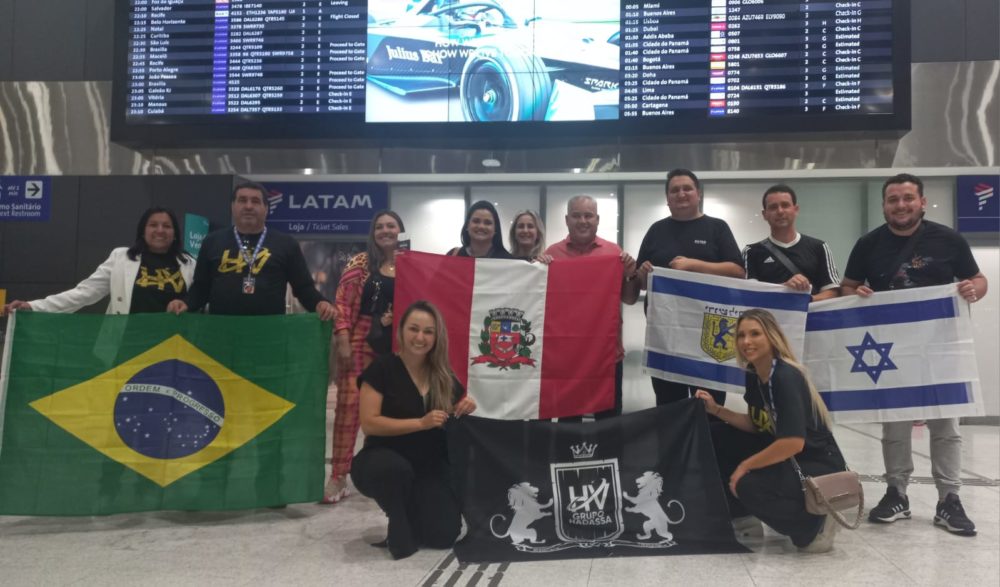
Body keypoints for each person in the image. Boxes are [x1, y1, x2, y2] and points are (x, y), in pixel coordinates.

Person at [841, 173, 988, 536]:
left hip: (941, 347)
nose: (901, 205)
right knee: (895, 424)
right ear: (884, 206)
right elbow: (847, 286)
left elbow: (979, 279)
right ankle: (897, 493)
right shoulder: (868, 244)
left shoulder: (949, 240)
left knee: (945, 425)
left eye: (908, 198)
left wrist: (973, 289)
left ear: (922, 202)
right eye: (893, 199)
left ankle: (949, 498)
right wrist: (857, 293)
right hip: (891, 350)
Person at [696, 308, 848, 553]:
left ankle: (814, 524)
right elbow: (757, 424)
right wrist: (716, 410)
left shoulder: (786, 376)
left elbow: (793, 443)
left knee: (747, 484)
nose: (746, 341)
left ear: (772, 336)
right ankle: (744, 518)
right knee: (715, 436)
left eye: (755, 334)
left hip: (815, 461)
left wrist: (745, 466)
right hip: (787, 453)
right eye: (741, 335)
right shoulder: (754, 373)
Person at [351, 300, 477, 560]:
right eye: (414, 329)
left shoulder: (444, 376)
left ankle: (415, 512)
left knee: (443, 536)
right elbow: (369, 423)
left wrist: (468, 406)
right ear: (401, 331)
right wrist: (420, 423)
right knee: (394, 470)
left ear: (436, 337)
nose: (420, 337)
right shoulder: (381, 369)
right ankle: (398, 519)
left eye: (428, 331)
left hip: (428, 466)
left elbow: (455, 416)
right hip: (382, 458)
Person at [635, 169, 745, 407]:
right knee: (668, 405)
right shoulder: (656, 230)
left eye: (687, 188)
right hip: (665, 334)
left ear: (698, 193)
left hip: (709, 335)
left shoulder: (717, 228)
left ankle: (708, 434)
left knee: (709, 406)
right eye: (674, 190)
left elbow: (738, 271)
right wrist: (642, 274)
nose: (681, 194)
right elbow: (641, 283)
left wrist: (693, 265)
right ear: (667, 198)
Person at [324, 210, 406, 504]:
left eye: (391, 226)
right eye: (379, 227)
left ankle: (396, 471)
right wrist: (343, 339)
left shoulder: (411, 262)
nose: (385, 231)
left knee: (399, 407)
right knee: (349, 405)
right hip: (361, 338)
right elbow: (342, 304)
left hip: (402, 341)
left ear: (401, 230)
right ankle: (338, 475)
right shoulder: (359, 262)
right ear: (373, 233)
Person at [166, 182, 335, 319]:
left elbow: (304, 288)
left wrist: (319, 303)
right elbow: (201, 288)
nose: (248, 206)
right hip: (221, 335)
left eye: (255, 201)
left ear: (266, 208)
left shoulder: (286, 244)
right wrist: (185, 303)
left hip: (269, 336)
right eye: (242, 200)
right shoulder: (212, 242)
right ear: (233, 206)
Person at [541, 195, 640, 418]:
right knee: (568, 424)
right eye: (576, 216)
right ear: (567, 220)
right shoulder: (552, 255)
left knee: (609, 424)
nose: (583, 221)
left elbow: (629, 299)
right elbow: (538, 302)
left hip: (606, 356)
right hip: (567, 358)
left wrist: (630, 275)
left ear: (597, 219)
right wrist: (538, 269)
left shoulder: (614, 253)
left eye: (588, 215)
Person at [3, 207, 194, 315]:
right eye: (153, 225)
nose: (160, 230)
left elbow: (199, 303)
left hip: (175, 347)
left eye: (166, 226)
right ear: (143, 231)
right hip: (126, 346)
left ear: (175, 233)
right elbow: (84, 293)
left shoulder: (191, 265)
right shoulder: (121, 258)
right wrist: (34, 306)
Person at [742, 184, 841, 301]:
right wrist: (784, 288)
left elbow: (833, 292)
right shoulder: (751, 252)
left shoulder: (820, 247)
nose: (780, 211)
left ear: (796, 210)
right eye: (773, 207)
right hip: (768, 314)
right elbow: (749, 294)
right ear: (765, 214)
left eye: (785, 205)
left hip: (811, 312)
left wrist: (805, 301)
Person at [447, 200, 514, 259]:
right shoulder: (453, 256)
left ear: (495, 229)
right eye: (476, 221)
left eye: (487, 223)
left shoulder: (508, 261)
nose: (481, 226)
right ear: (467, 225)